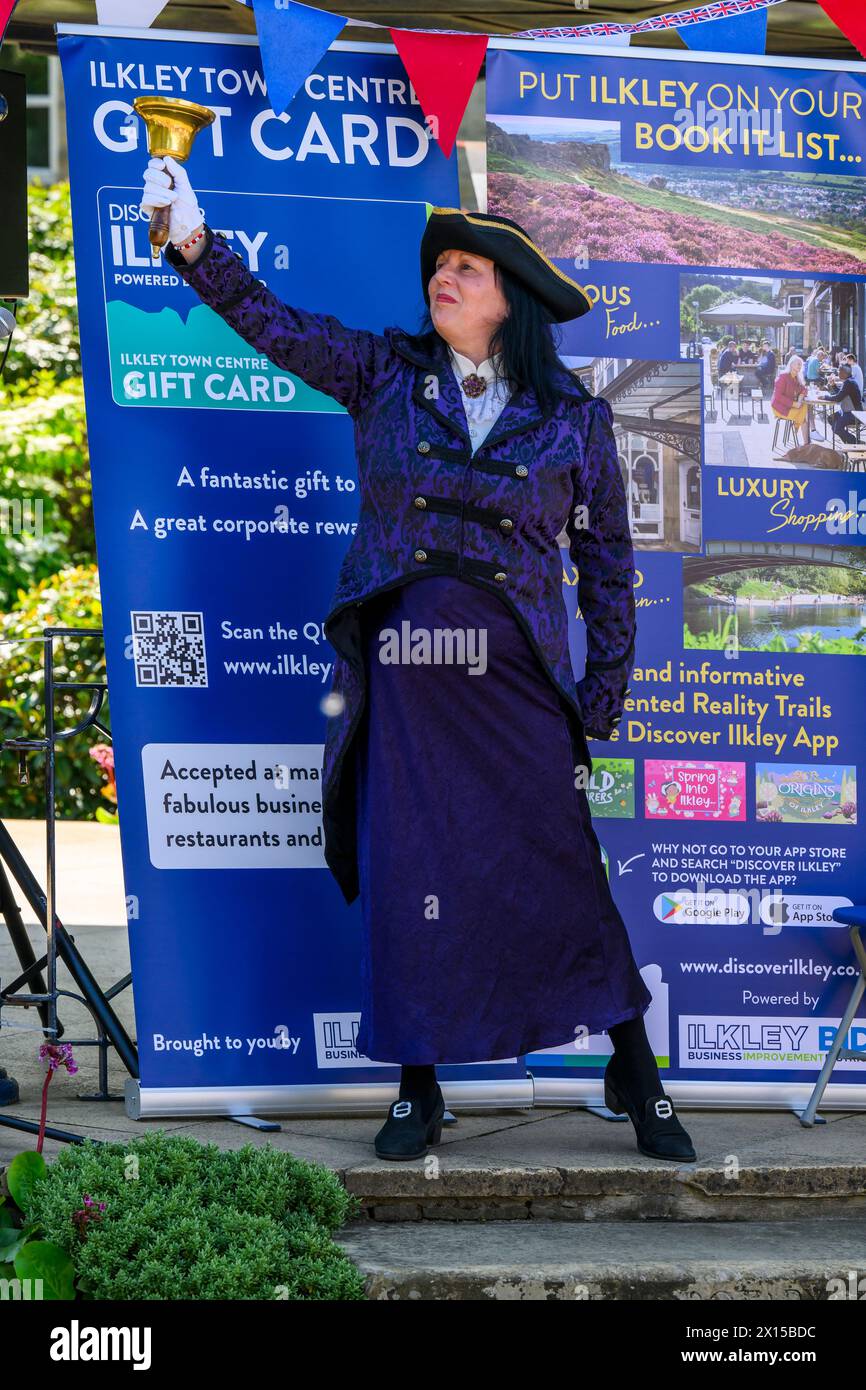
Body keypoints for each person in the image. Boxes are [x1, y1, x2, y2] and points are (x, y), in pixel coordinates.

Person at [141, 157, 696, 1164]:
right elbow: (275, 324)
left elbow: (608, 568)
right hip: (407, 687)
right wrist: (193, 245)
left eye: (465, 268)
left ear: (512, 301)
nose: (442, 276)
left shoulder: (574, 422)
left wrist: (600, 694)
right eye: (437, 263)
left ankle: (634, 1067)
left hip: (520, 688)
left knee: (560, 868)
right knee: (414, 874)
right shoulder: (381, 373)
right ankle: (417, 1085)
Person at [770, 355, 810, 447]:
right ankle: (801, 438)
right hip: (779, 407)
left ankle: (803, 440)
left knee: (804, 408)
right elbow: (778, 396)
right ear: (791, 365)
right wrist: (794, 403)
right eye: (798, 364)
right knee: (803, 417)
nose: (800, 366)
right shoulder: (783, 376)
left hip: (790, 406)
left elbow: (804, 389)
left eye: (801, 364)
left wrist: (800, 397)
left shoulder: (797, 378)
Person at [821, 364, 864, 444]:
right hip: (846, 411)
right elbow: (841, 394)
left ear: (845, 373)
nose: (838, 373)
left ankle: (856, 442)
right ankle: (847, 442)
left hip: (854, 414)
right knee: (831, 419)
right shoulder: (849, 381)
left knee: (836, 428)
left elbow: (838, 398)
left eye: (839, 371)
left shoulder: (849, 383)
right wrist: (833, 386)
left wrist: (824, 397)